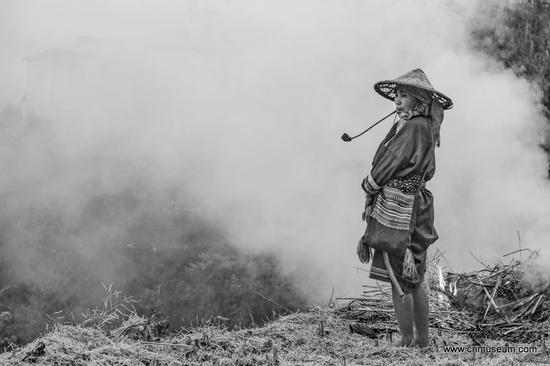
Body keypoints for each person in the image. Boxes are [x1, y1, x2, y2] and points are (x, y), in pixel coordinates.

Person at [357, 68, 453, 348]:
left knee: (400, 278)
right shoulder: (422, 125)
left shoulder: (411, 127)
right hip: (419, 204)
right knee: (416, 277)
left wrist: (369, 186)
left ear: (419, 101)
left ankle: (406, 340)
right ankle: (421, 341)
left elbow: (389, 162)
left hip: (402, 209)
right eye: (397, 96)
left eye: (404, 96)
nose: (397, 101)